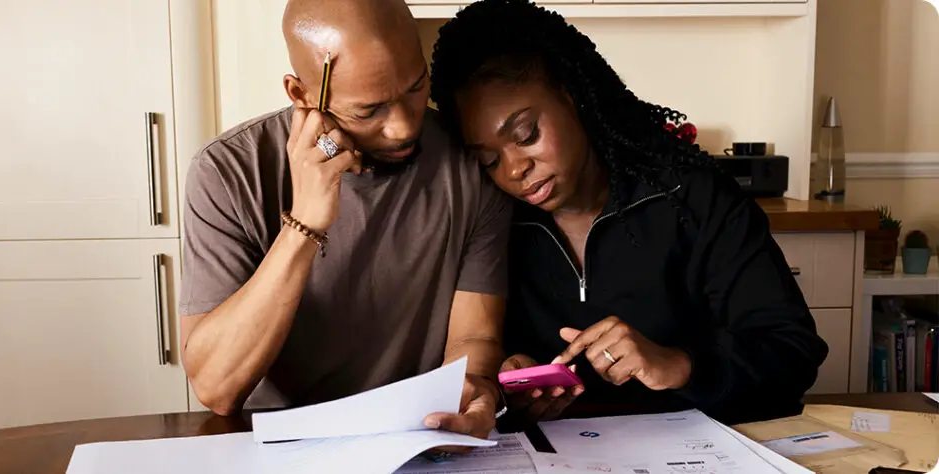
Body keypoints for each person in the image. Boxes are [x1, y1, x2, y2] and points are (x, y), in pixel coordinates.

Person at [428, 0, 829, 426]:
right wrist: (514, 382)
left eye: (526, 135)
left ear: (573, 97)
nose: (513, 170)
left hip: (698, 449)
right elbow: (485, 358)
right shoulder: (494, 223)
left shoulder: (691, 198)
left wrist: (677, 365)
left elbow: (793, 355)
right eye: (488, 160)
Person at [177, 0, 511, 443]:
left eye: (415, 88)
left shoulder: (469, 159)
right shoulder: (227, 172)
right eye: (369, 110)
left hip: (417, 435)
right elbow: (217, 388)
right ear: (300, 94)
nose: (403, 127)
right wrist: (305, 223)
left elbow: (474, 338)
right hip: (280, 445)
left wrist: (475, 389)